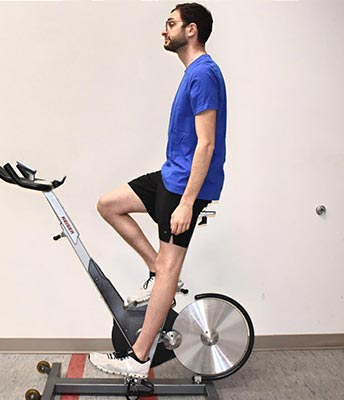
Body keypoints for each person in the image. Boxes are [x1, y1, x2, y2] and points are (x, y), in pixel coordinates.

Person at [89, 2, 227, 378]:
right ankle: (156, 272)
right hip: (172, 175)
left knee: (170, 267)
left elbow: (207, 144)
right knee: (109, 204)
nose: (164, 31)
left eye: (171, 24)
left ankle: (138, 357)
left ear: (192, 30)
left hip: (185, 186)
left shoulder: (203, 74)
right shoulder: (193, 73)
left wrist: (186, 204)